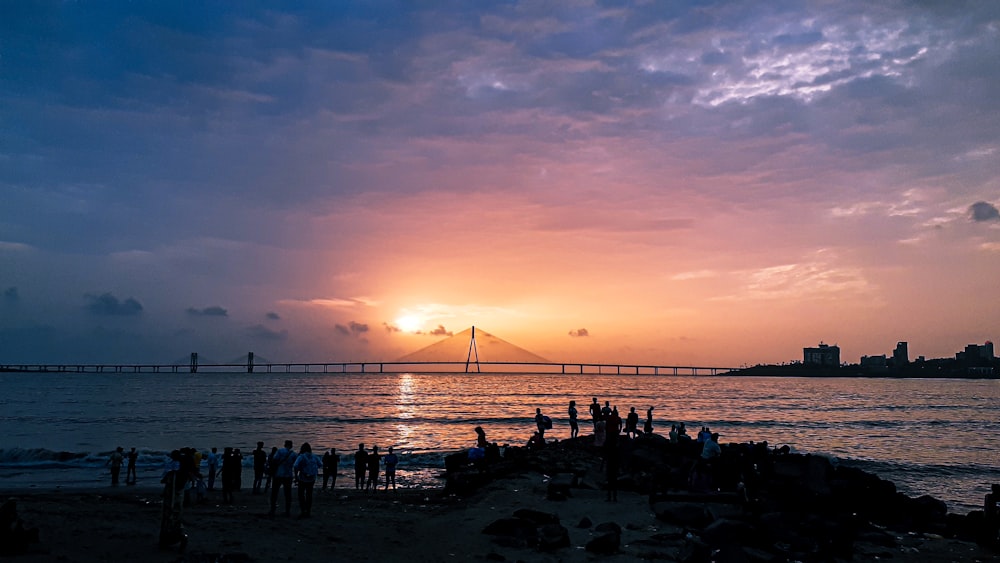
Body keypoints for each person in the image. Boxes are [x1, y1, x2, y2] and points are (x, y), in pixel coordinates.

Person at [268, 440, 297, 517]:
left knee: (274, 493)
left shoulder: (280, 451)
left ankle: (272, 509)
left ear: (285, 445)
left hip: (278, 474)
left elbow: (274, 460)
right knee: (288, 494)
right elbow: (296, 464)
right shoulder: (293, 454)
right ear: (291, 445)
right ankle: (287, 511)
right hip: (288, 475)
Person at [292, 443, 321, 518]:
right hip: (312, 478)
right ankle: (308, 511)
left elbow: (295, 465)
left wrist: (296, 476)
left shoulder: (301, 456)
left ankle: (303, 510)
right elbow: (320, 464)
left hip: (303, 478)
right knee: (309, 495)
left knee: (301, 494)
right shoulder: (314, 456)